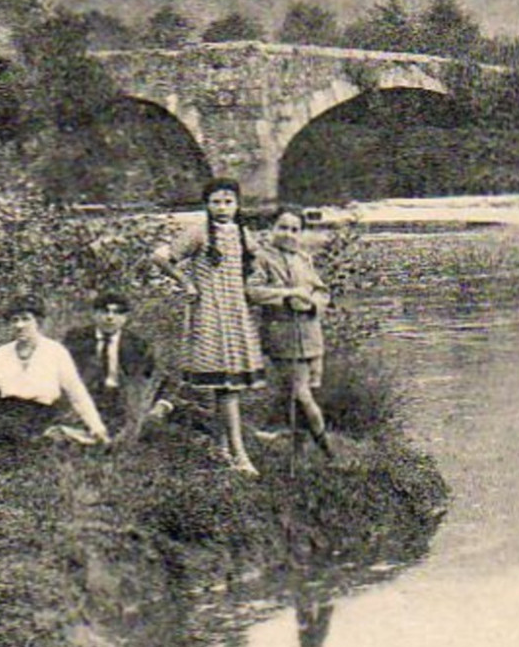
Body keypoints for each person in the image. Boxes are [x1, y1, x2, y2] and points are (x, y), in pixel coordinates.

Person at [151, 178, 269, 475]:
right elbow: (161, 257)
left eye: (228, 201)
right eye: (216, 201)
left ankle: (220, 446)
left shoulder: (242, 233)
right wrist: (187, 283)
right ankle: (239, 455)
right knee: (225, 385)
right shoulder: (199, 232)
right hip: (209, 313)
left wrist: (257, 286)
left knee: (228, 385)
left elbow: (258, 263)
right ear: (207, 204)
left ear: (237, 205)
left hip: (234, 313)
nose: (222, 207)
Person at [0, 298, 109, 445]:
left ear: (38, 321)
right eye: (14, 320)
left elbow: (77, 394)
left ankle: (48, 439)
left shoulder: (55, 352)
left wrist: (97, 427)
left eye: (25, 319)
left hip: (40, 413)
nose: (20, 325)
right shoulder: (0, 354)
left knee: (17, 437)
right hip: (6, 411)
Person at [251, 207, 334, 460]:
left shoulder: (303, 258)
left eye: (295, 230)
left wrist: (312, 303)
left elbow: (322, 291)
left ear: (302, 234)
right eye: (283, 228)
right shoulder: (261, 258)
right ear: (271, 230)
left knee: (303, 394)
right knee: (301, 394)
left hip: (310, 334)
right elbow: (252, 291)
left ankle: (299, 452)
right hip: (282, 335)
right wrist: (287, 294)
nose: (289, 234)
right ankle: (327, 448)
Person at [63, 291, 172, 442]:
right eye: (104, 311)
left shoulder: (137, 345)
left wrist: (161, 405)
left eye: (117, 313)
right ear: (94, 314)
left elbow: (156, 377)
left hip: (120, 402)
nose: (110, 317)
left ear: (126, 317)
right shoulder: (76, 339)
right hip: (85, 399)